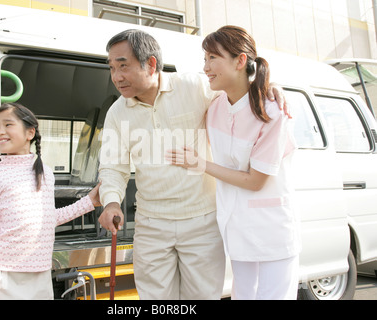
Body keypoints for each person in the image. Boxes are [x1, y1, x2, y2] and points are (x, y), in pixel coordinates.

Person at [97, 29, 288, 300]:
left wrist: (270, 89)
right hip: (152, 223)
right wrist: (112, 202)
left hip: (202, 221)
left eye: (123, 66)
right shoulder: (117, 113)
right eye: (112, 68)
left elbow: (239, 94)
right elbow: (112, 167)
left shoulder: (194, 87)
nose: (116, 77)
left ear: (151, 64)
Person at [166, 25, 300, 300]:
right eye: (204, 59)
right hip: (236, 229)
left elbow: (255, 180)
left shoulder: (272, 112)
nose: (206, 67)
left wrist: (199, 163)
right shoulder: (214, 107)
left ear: (240, 61)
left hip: (272, 232)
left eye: (213, 58)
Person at [0, 103, 101, 300]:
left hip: (40, 274)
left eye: (7, 124)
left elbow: (46, 219)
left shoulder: (45, 172)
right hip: (3, 277)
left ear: (30, 132)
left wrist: (90, 202)